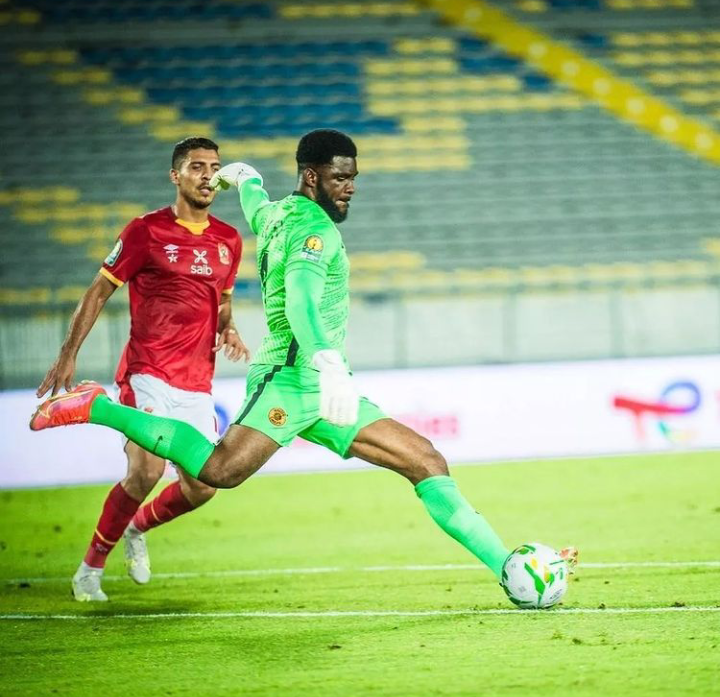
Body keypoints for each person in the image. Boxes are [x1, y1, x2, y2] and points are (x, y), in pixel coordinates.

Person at [31, 129, 576, 593]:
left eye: (353, 177)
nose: (350, 187)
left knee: (426, 461)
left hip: (324, 385)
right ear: (313, 177)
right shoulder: (315, 232)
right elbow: (301, 301)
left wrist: (245, 179)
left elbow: (255, 202)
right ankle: (99, 407)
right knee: (219, 472)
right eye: (340, 178)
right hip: (292, 380)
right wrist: (328, 363)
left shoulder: (276, 215)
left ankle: (507, 569)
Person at [35, 136, 249, 601]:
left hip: (197, 383)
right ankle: (90, 570)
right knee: (145, 471)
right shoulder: (145, 231)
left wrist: (229, 328)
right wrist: (68, 352)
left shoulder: (229, 240)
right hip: (146, 372)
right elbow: (98, 291)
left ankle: (137, 527)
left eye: (215, 167)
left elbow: (222, 301)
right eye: (197, 166)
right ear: (175, 175)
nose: (208, 175)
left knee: (205, 487)